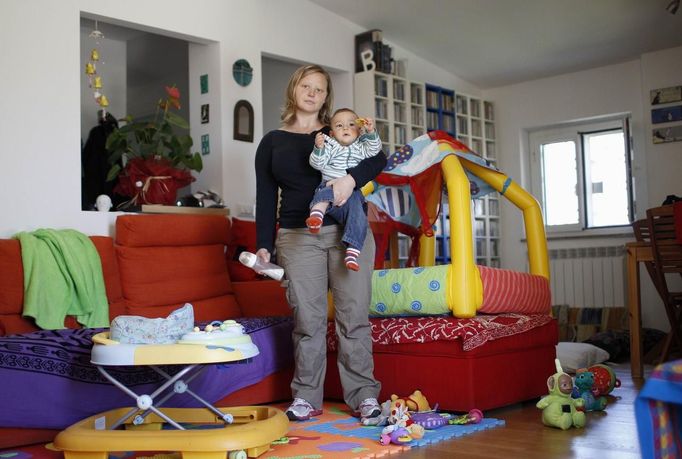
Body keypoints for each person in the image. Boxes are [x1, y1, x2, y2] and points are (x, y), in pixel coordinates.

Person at [254, 64, 386, 422]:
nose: (312, 93)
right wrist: (264, 243)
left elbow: (378, 158)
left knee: (353, 318)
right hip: (297, 237)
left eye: (321, 89)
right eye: (306, 86)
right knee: (307, 322)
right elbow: (266, 197)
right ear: (294, 89)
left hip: (348, 236)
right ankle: (305, 398)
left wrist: (350, 182)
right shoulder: (272, 141)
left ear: (327, 97)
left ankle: (364, 397)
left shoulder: (339, 131)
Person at [306, 109, 382, 271]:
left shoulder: (361, 148)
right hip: (329, 183)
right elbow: (317, 164)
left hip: (353, 192)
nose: (346, 129)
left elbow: (375, 150)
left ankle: (352, 253)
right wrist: (319, 148)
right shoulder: (330, 147)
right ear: (332, 134)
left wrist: (370, 132)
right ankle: (316, 216)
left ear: (359, 130)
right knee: (324, 194)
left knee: (358, 216)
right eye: (340, 126)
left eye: (351, 125)